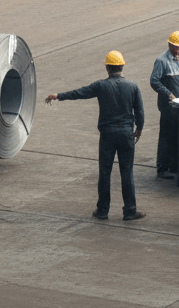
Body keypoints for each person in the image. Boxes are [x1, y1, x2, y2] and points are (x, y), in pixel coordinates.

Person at [45, 51, 146, 221]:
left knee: (105, 172)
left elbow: (80, 93)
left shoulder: (101, 86)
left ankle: (102, 210)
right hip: (125, 135)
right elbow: (140, 112)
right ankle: (130, 210)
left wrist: (58, 96)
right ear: (122, 66)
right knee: (126, 172)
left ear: (107, 68)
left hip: (107, 135)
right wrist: (139, 129)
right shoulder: (133, 86)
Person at [150, 31, 179, 180]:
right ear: (170, 45)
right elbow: (154, 81)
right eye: (176, 47)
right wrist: (168, 93)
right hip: (169, 107)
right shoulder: (161, 61)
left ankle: (176, 166)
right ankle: (162, 168)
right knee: (167, 137)